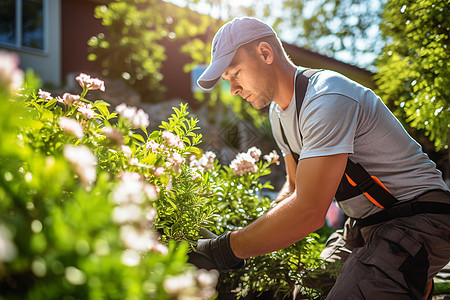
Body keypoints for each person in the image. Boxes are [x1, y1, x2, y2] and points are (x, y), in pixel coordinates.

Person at [190, 17, 450, 299]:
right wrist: (252, 228)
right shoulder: (278, 116)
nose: (234, 90)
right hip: (363, 225)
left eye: (236, 73)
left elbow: (308, 211)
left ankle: (410, 281)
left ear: (265, 53)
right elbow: (293, 188)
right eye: (229, 81)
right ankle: (411, 283)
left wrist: (221, 250)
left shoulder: (327, 96)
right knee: (307, 293)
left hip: (419, 218)